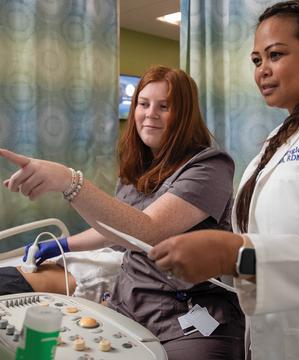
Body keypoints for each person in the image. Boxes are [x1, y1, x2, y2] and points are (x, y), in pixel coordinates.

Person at [148, 1, 299, 360]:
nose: (262, 70)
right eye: (256, 60)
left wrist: (232, 254)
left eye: (275, 55)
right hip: (272, 336)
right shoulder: (280, 136)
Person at [0, 65, 245, 359]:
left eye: (164, 106)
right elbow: (118, 231)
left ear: (185, 115)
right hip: (129, 302)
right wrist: (62, 244)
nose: (150, 113)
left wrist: (69, 181)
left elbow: (149, 230)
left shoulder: (210, 167)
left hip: (190, 313)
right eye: (143, 104)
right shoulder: (138, 168)